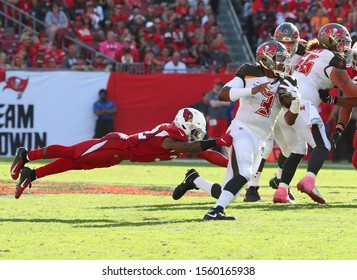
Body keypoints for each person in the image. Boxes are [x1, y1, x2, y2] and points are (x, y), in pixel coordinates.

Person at [173, 41, 301, 220]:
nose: (283, 63)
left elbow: (289, 119)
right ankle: (216, 211)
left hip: (260, 138)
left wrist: (296, 102)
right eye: (279, 59)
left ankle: (194, 179)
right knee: (245, 174)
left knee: (230, 191)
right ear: (266, 59)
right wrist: (252, 90)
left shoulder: (287, 81)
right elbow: (224, 94)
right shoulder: (250, 72)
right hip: (242, 129)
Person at [10, 108, 232, 199]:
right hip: (117, 145)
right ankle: (27, 154)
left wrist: (233, 164)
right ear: (185, 125)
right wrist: (216, 140)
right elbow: (193, 148)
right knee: (72, 153)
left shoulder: (182, 141)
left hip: (119, 156)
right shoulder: (172, 137)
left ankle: (33, 174)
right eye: (195, 131)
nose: (197, 137)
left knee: (75, 163)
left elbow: (208, 154)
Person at [272, 23, 357, 205]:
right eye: (342, 42)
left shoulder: (312, 52)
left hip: (281, 104)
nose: (345, 47)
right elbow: (353, 93)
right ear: (331, 40)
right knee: (322, 146)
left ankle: (281, 191)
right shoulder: (333, 60)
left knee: (298, 150)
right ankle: (308, 181)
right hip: (301, 102)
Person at [244, 22, 306, 202]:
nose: (286, 47)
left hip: (282, 107)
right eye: (283, 42)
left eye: (290, 43)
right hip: (265, 104)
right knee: (267, 147)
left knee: (289, 147)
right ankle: (252, 189)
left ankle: (280, 180)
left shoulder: (299, 55)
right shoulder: (270, 53)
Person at [206, 78, 231, 154]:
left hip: (223, 118)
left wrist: (218, 103)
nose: (219, 86)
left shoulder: (222, 93)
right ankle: (208, 153)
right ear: (214, 85)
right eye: (217, 84)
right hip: (214, 118)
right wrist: (222, 102)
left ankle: (225, 155)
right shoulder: (211, 94)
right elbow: (213, 104)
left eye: (220, 84)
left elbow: (228, 103)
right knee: (211, 136)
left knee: (223, 137)